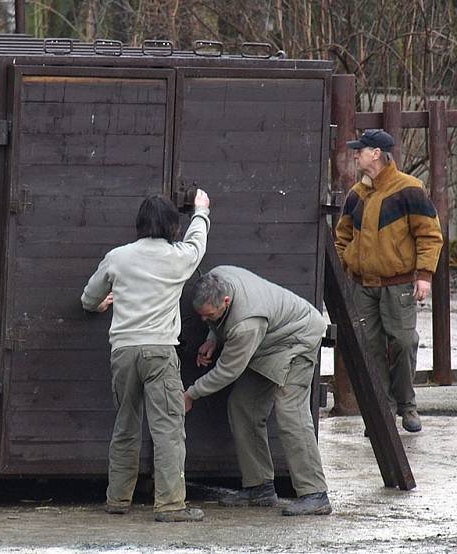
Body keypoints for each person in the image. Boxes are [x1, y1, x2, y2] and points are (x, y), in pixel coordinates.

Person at [81, 191, 210, 523]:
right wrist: (201, 211)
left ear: (139, 224)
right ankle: (169, 505)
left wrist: (98, 306)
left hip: (123, 351)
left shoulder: (117, 257)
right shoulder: (178, 256)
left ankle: (118, 499)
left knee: (126, 425)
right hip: (159, 352)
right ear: (170, 225)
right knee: (167, 429)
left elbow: (88, 298)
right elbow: (198, 244)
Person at [184, 266, 332, 516]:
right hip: (268, 342)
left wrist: (191, 394)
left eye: (209, 316)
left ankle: (315, 494)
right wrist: (212, 337)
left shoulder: (245, 324)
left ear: (226, 301)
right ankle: (259, 488)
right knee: (243, 406)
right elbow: (220, 320)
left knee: (291, 413)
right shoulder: (217, 277)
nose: (204, 320)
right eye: (202, 316)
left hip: (298, 338)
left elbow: (227, 371)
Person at [335, 129, 443, 433]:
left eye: (361, 150)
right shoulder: (357, 193)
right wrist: (349, 259)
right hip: (364, 284)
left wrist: (424, 276)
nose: (356, 155)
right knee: (369, 348)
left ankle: (407, 405)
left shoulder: (410, 188)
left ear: (377, 154)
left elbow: (430, 236)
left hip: (399, 284)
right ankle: (381, 413)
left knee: (404, 342)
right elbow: (342, 234)